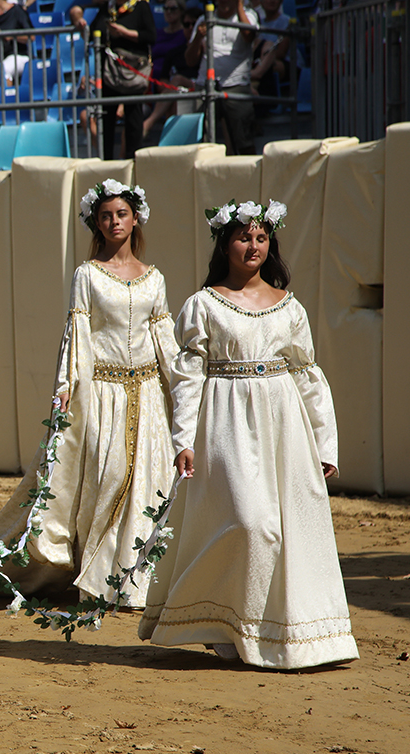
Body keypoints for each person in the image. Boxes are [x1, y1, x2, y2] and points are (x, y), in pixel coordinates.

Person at [139, 199, 358, 670]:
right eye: (243, 237)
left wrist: (324, 443)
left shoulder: (290, 307)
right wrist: (183, 439)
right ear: (224, 243)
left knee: (285, 529)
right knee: (248, 522)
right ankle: (220, 621)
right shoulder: (203, 305)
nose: (253, 245)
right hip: (225, 423)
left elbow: (308, 375)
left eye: (261, 237)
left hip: (284, 428)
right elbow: (188, 375)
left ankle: (271, 632)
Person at [0, 180, 178, 605]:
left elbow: (164, 338)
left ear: (135, 218)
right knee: (107, 479)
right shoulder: (87, 275)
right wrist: (66, 389)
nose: (114, 222)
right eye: (105, 216)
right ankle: (100, 577)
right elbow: (77, 336)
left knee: (150, 479)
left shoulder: (155, 279)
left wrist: (180, 389)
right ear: (97, 223)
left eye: (121, 214)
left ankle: (139, 580)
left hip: (146, 394)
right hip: (103, 393)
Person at [69, 0, 156, 159]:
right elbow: (94, 34)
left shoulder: (140, 6)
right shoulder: (107, 8)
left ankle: (133, 163)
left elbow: (150, 36)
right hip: (110, 73)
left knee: (133, 120)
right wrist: (79, 21)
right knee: (106, 120)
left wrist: (124, 32)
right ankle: (107, 163)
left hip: (132, 73)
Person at [186, 0, 258, 154]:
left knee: (244, 140)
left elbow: (249, 36)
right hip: (205, 85)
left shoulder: (249, 15)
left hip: (236, 85)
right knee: (200, 141)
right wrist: (198, 37)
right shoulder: (204, 19)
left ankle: (249, 175)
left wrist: (239, 7)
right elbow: (190, 60)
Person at [142, 0, 195, 138]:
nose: (168, 12)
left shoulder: (193, 46)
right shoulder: (162, 40)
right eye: (166, 8)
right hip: (161, 85)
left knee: (176, 84)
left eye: (173, 8)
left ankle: (150, 124)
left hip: (191, 84)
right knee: (172, 99)